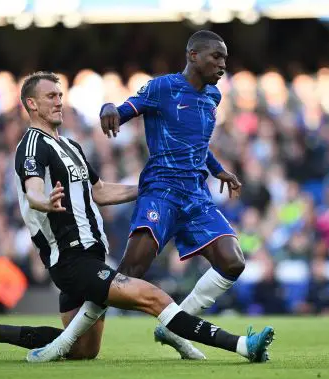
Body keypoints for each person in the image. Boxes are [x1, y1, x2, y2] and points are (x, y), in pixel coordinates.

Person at [0, 71, 274, 363]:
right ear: (31, 104)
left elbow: (100, 192)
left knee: (83, 349)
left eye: (60, 95)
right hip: (72, 259)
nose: (58, 102)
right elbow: (32, 190)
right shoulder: (32, 145)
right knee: (155, 298)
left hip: (91, 252)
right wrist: (43, 202)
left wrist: (146, 188)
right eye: (50, 97)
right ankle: (243, 346)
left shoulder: (70, 145)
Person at [99, 30, 247, 359]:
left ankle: (173, 326)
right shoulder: (162, 87)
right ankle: (68, 339)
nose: (223, 64)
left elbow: (196, 144)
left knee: (233, 261)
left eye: (225, 57)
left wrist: (217, 168)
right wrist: (109, 106)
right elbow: (124, 110)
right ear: (193, 55)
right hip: (162, 191)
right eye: (216, 56)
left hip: (195, 194)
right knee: (128, 274)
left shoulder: (213, 96)